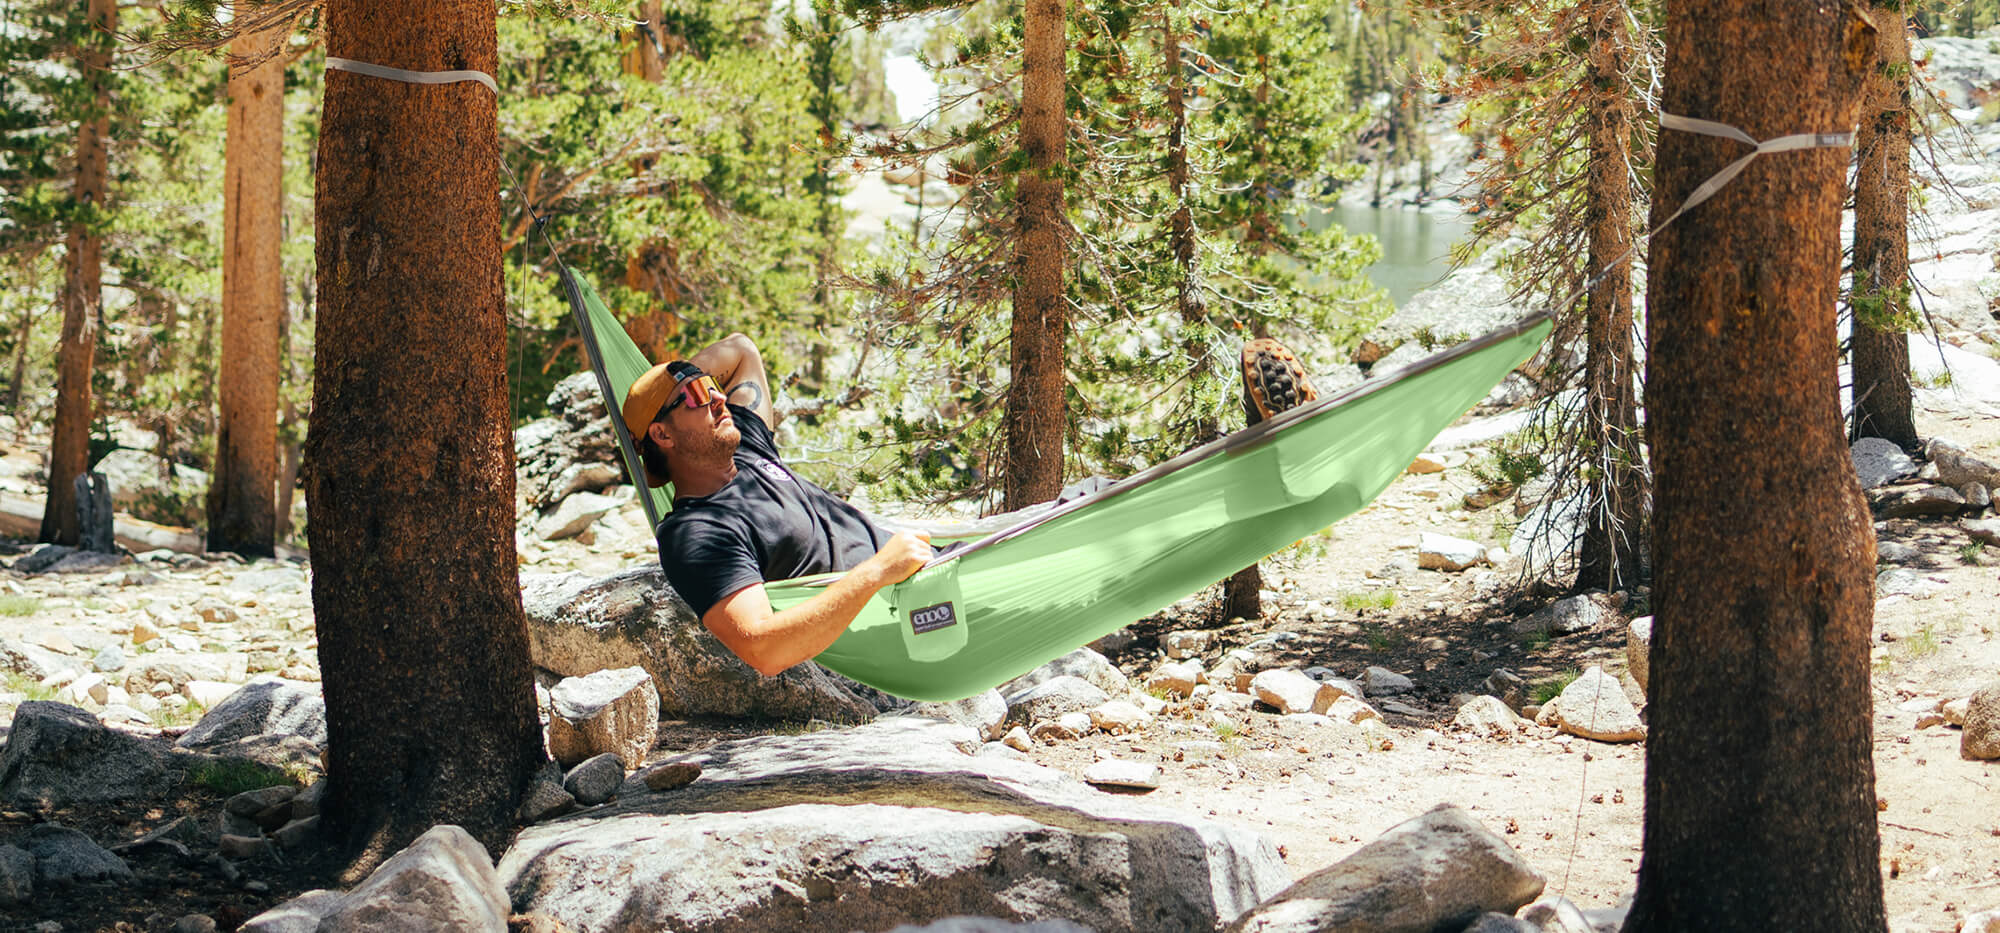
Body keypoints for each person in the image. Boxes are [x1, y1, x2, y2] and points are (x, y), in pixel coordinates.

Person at [627, 332, 1319, 677]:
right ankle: (1268, 476)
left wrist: (678, 376)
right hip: (918, 610)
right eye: (693, 399)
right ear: (662, 435)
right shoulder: (697, 530)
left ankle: (1258, 461)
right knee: (1098, 534)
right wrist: (877, 572)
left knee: (1092, 501)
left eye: (708, 389)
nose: (716, 395)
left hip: (933, 559)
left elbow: (742, 352)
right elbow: (761, 646)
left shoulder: (743, 442)